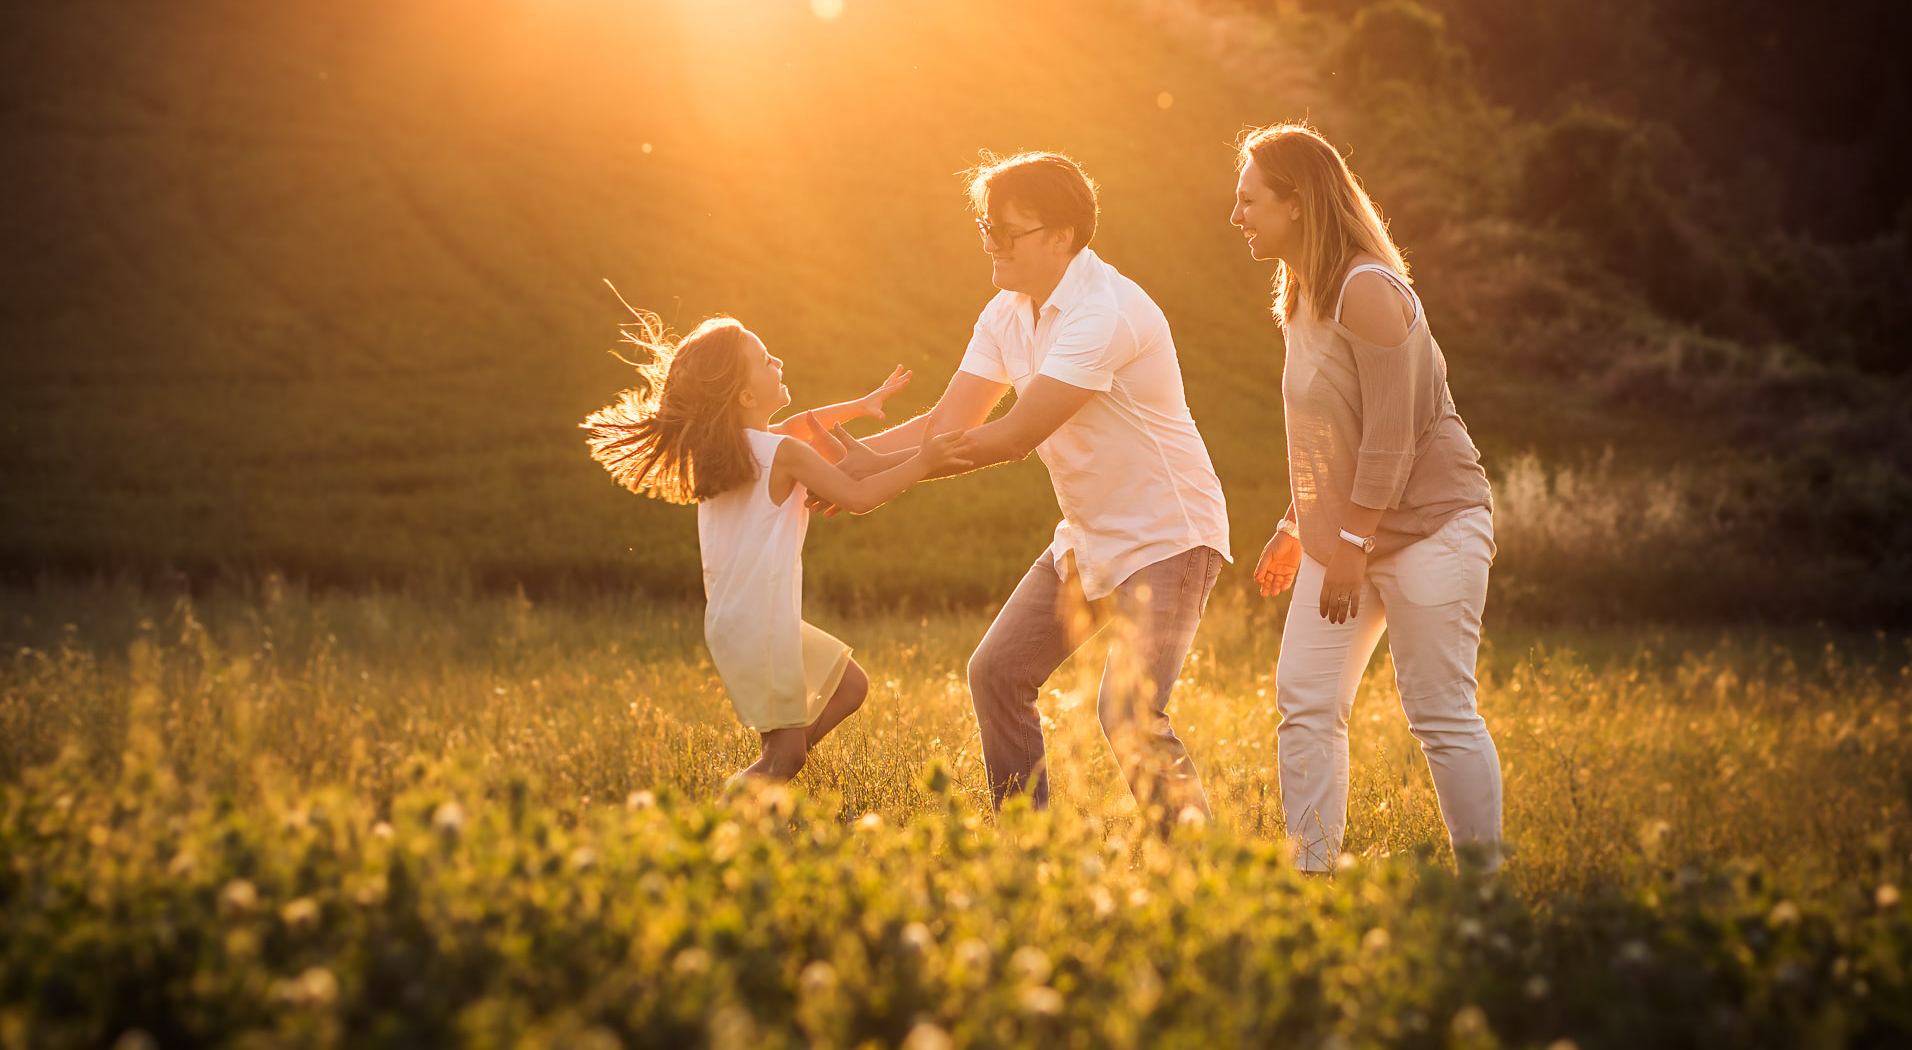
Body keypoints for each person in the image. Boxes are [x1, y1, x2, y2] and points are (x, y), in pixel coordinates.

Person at [836, 151, 1230, 820]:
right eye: (985, 226)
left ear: (1060, 236)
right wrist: (842, 469)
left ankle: (1200, 872)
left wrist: (875, 476)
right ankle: (1027, 848)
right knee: (997, 673)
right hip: (1089, 537)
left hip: (1170, 534)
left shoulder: (1103, 310)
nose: (991, 242)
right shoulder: (1006, 313)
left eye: (1006, 231)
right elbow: (947, 422)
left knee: (1129, 713)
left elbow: (1014, 434)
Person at [1231, 122, 1500, 872]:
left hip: (1431, 528)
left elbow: (1391, 432)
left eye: (1250, 199)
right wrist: (1298, 521)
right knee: (1305, 697)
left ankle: (1485, 884)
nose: (1236, 216)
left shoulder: (1368, 290)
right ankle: (1313, 870)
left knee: (1439, 712)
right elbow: (1329, 429)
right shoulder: (1303, 293)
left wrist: (1349, 543)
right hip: (1346, 533)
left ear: (1297, 203)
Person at [582, 304, 971, 784]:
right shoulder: (780, 454)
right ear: (746, 395)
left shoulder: (735, 452)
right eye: (766, 361)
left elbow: (805, 422)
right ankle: (738, 809)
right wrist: (924, 460)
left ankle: (768, 776)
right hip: (761, 625)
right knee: (784, 756)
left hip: (744, 621)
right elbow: (859, 496)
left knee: (849, 687)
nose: (779, 363)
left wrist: (861, 405)